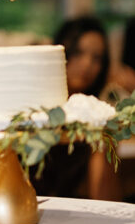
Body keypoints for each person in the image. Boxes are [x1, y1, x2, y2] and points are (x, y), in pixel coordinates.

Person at [34, 15, 121, 201]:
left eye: (96, 58)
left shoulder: (97, 119)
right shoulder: (35, 110)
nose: (87, 64)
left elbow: (104, 201)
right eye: (79, 52)